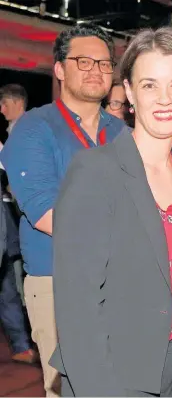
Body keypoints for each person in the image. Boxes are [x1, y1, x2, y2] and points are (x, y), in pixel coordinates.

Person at [51, 27, 172, 397]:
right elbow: (78, 309)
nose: (164, 98)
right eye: (150, 84)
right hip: (115, 371)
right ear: (129, 94)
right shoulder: (95, 171)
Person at [0, 25, 125, 397]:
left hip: (121, 282)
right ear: (59, 69)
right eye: (83, 61)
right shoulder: (34, 129)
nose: (95, 70)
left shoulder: (122, 133)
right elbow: (45, 213)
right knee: (69, 389)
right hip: (59, 283)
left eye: (104, 63)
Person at [0, 84, 37, 364]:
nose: (0, 110)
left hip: (12, 215)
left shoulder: (22, 131)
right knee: (8, 282)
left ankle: (21, 342)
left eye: (4, 103)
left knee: (8, 282)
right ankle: (21, 343)